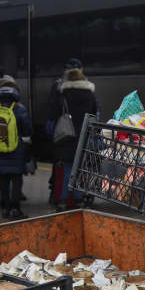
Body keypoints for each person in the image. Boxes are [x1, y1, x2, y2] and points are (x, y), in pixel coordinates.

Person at [47, 59, 97, 211]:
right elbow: (94, 113)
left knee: (67, 168)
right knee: (80, 169)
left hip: (66, 136)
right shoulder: (89, 94)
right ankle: (79, 199)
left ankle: (62, 200)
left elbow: (53, 114)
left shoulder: (62, 94)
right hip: (83, 135)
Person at [0, 85, 33, 220]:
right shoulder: (19, 109)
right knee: (16, 180)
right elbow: (28, 130)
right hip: (16, 151)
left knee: (2, 181)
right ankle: (15, 209)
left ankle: (5, 209)